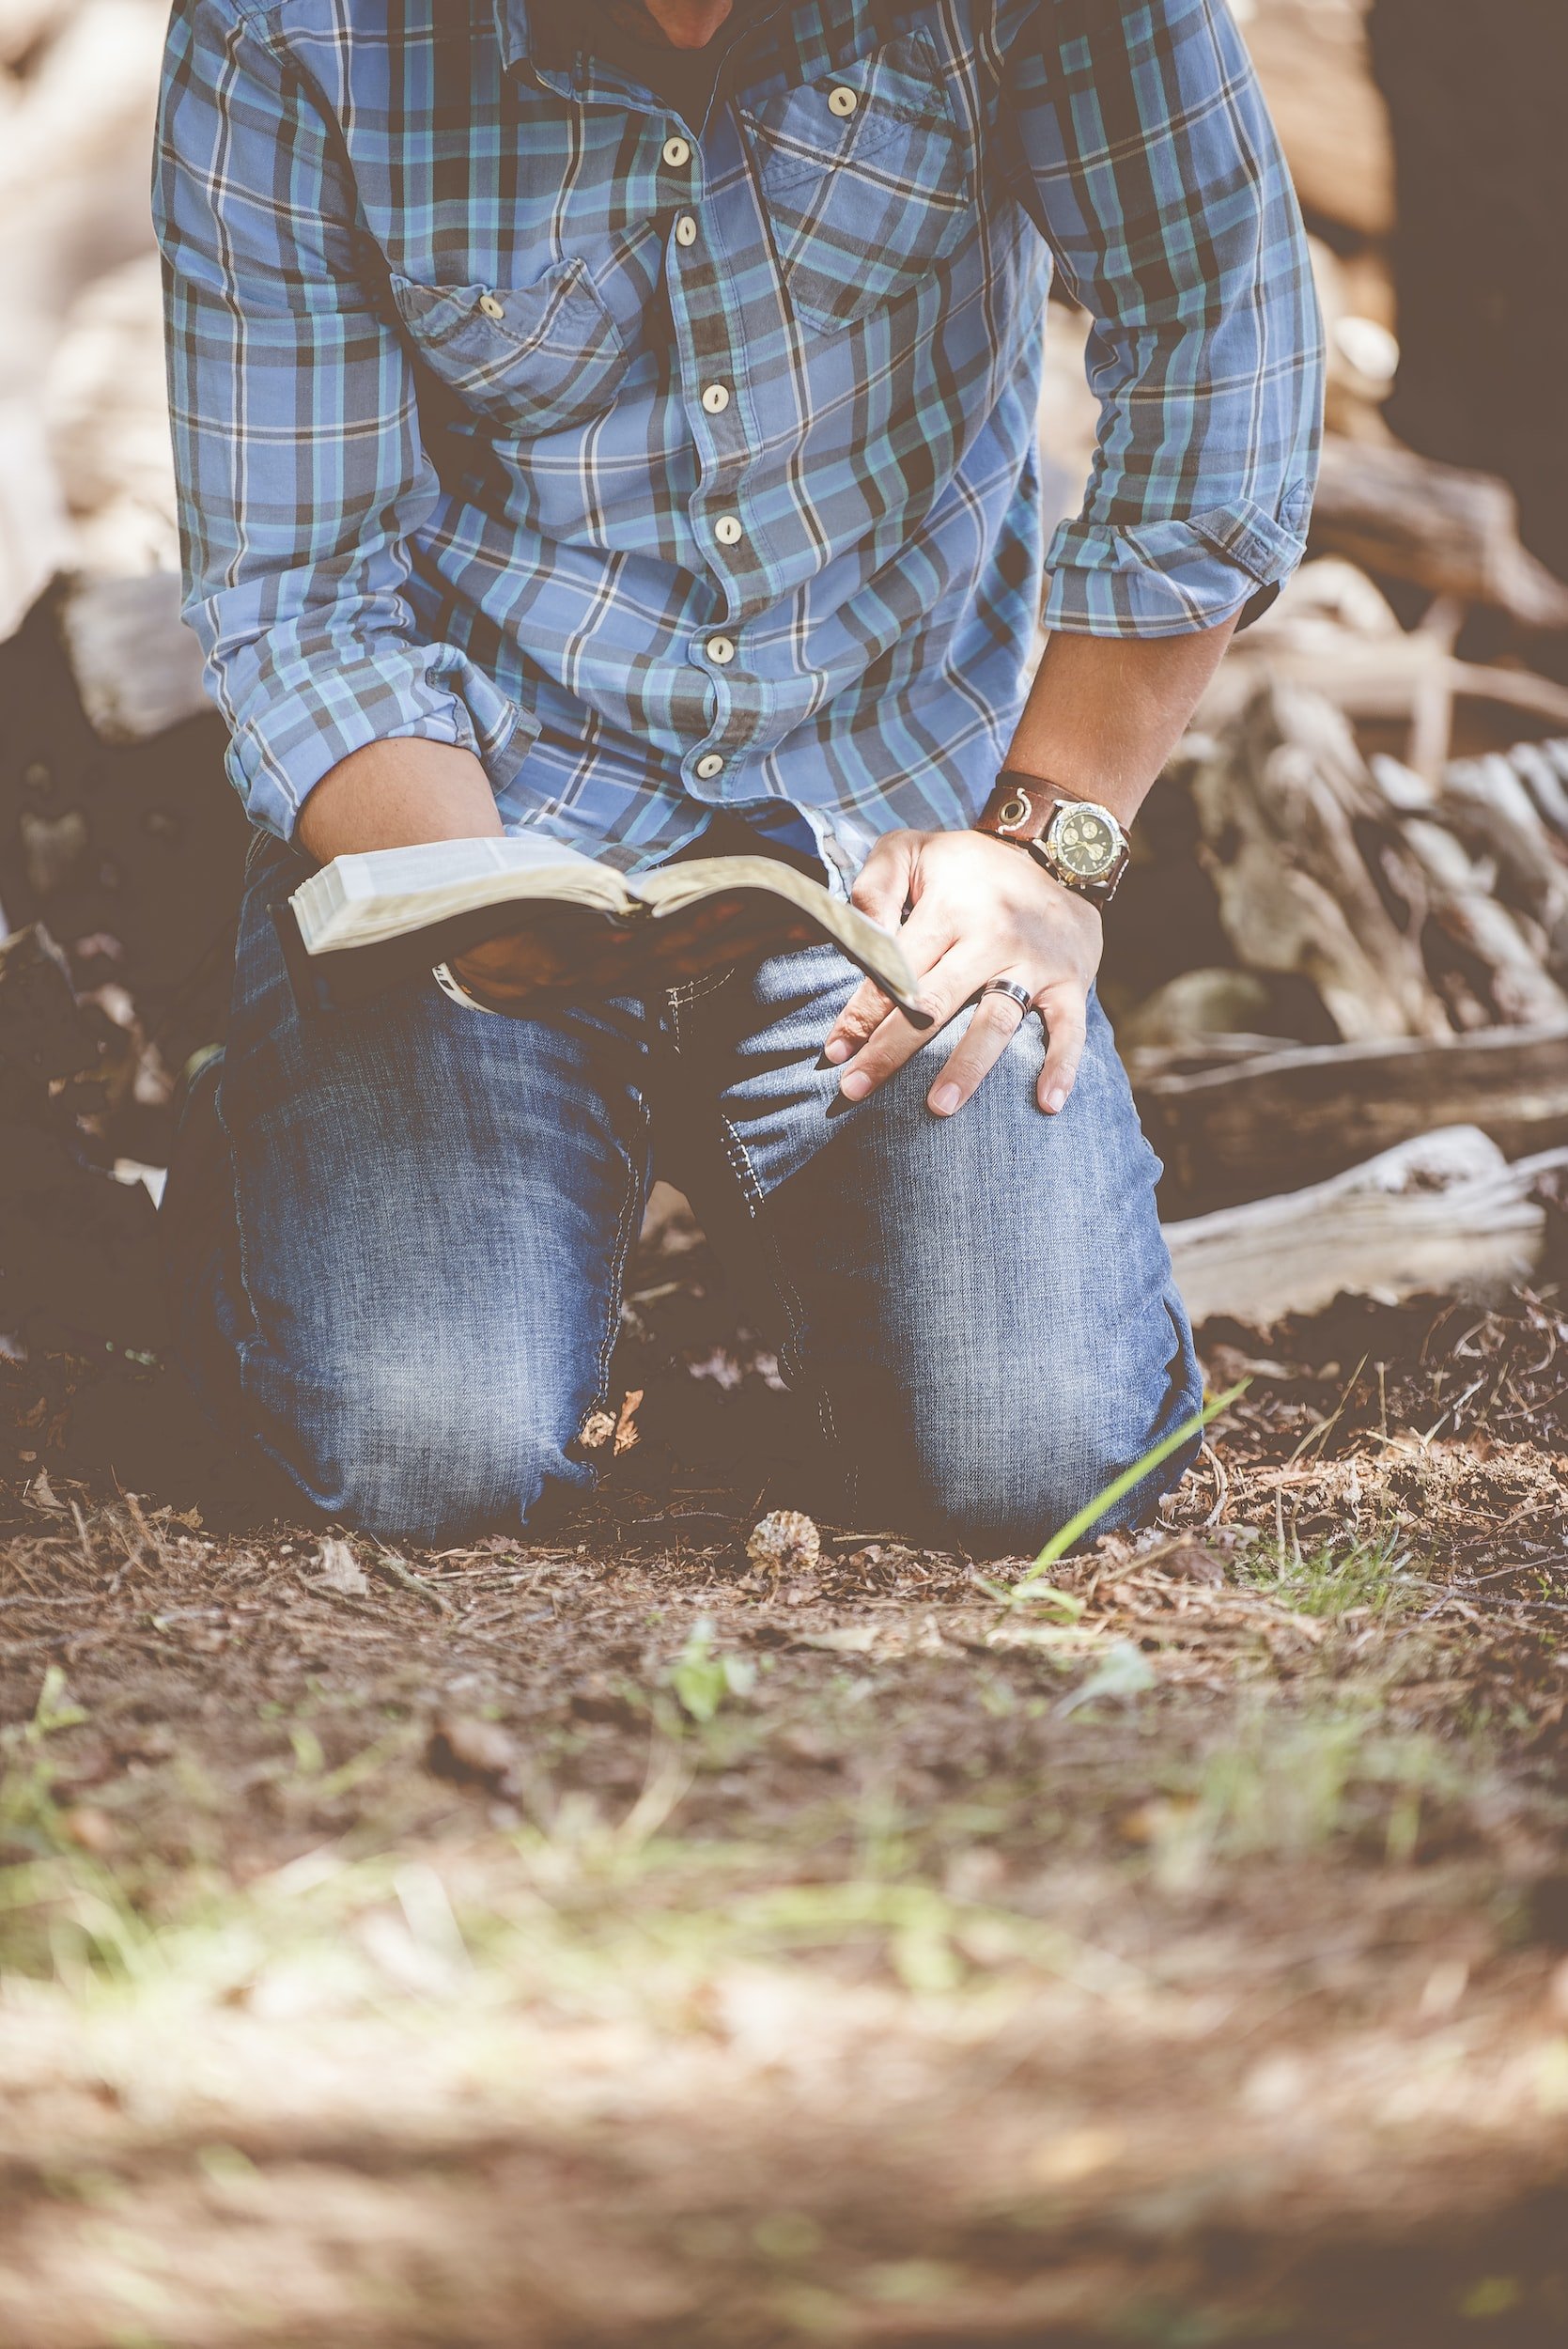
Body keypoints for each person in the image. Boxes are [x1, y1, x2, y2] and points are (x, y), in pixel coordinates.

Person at [153, 0, 1322, 1548]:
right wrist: (463, 891)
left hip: (898, 834)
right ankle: (271, 1169)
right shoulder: (286, 26)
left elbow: (1220, 351)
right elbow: (301, 587)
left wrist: (1043, 849)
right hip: (476, 808)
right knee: (423, 1455)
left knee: (1044, 1464)